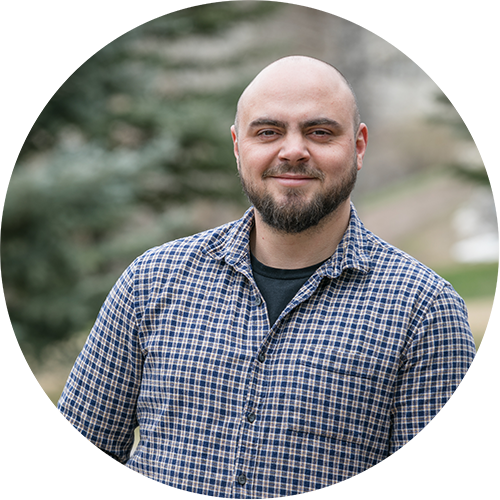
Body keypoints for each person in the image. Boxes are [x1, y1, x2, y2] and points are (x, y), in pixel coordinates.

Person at [37, 55, 477, 500]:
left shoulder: (424, 307)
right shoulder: (151, 281)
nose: (293, 151)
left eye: (319, 132)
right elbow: (75, 457)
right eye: (268, 132)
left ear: (359, 146)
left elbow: (436, 486)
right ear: (237, 145)